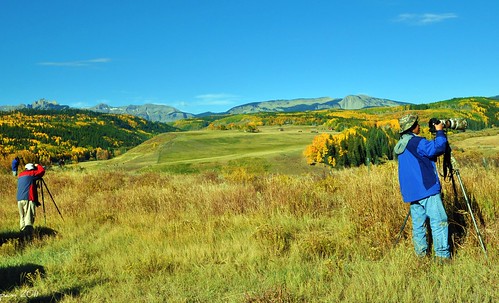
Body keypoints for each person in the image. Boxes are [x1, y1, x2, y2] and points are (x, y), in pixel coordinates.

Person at [394, 114, 451, 260]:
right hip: (427, 189)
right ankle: (442, 257)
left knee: (419, 226)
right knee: (439, 221)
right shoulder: (415, 142)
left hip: (412, 193)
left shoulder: (402, 144)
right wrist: (439, 131)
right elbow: (437, 148)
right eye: (417, 124)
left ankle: (421, 256)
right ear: (413, 127)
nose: (419, 126)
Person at [17, 163, 45, 239]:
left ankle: (22, 234)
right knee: (29, 217)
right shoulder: (31, 174)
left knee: (22, 217)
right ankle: (29, 236)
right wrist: (37, 165)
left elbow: (29, 185)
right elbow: (42, 171)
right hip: (28, 198)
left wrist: (36, 200)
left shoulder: (21, 174)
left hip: (19, 199)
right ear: (32, 169)